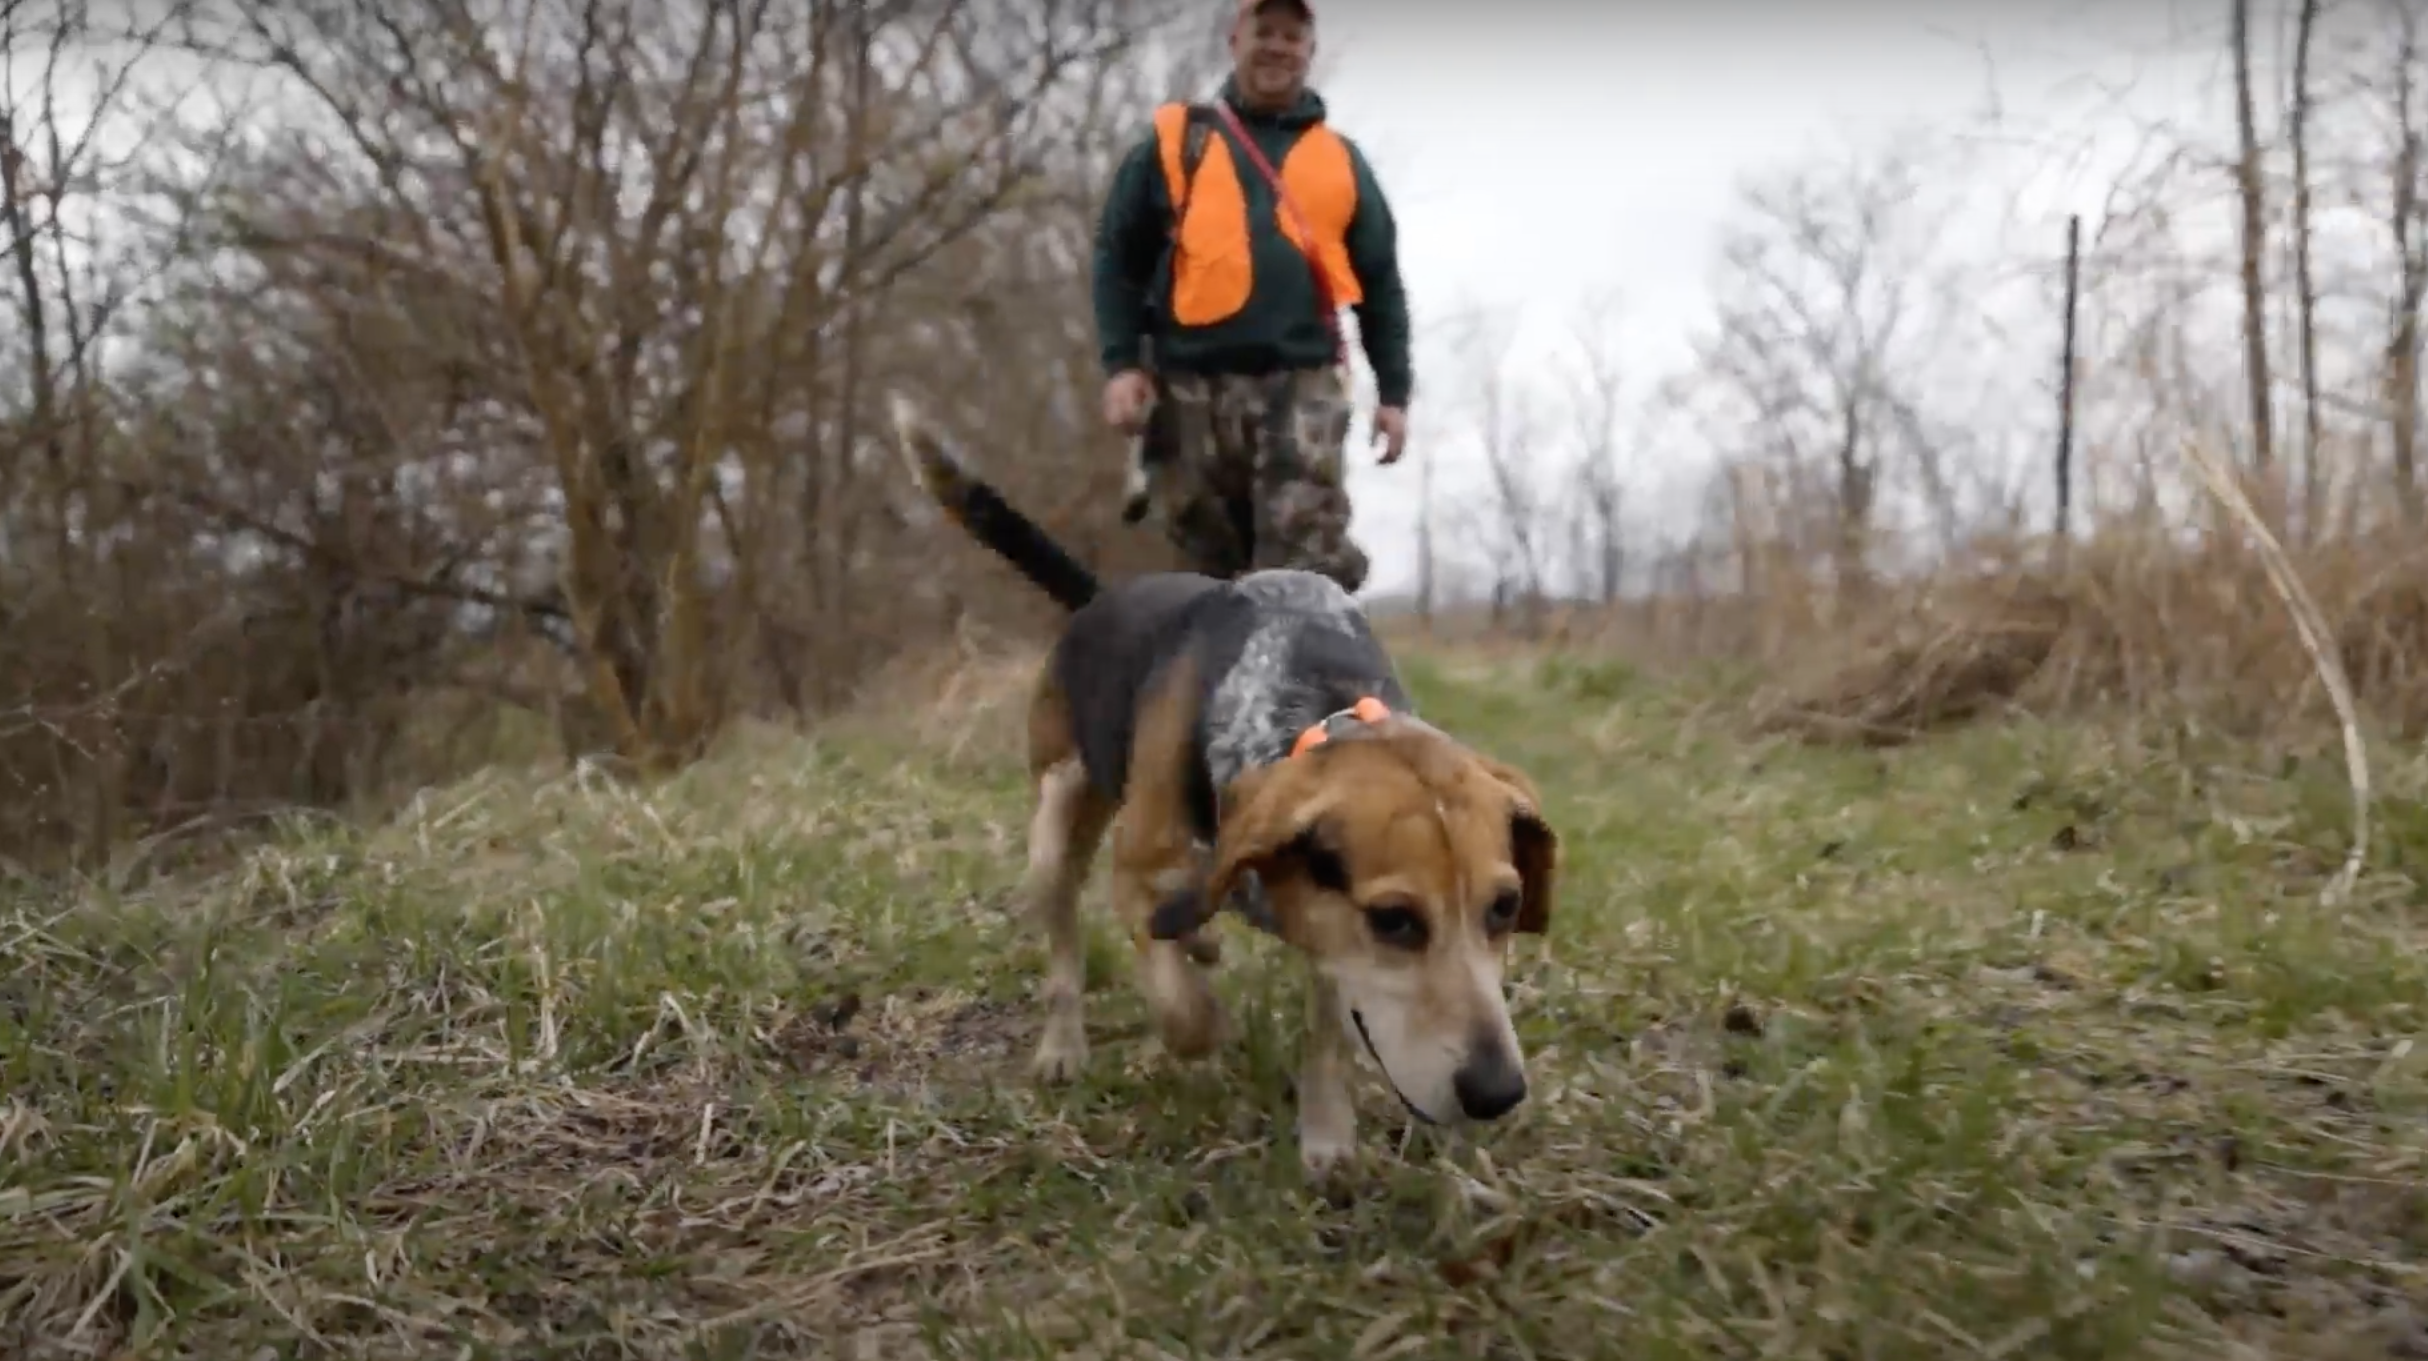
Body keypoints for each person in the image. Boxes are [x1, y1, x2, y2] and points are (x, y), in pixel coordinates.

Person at [1091, 0, 1411, 595]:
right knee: (1210, 572)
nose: (1278, 47)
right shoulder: (1174, 143)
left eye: (1294, 37)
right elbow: (1117, 257)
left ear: (1309, 53)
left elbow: (1380, 284)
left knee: (1297, 563)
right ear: (1235, 40)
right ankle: (1221, 683)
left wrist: (1393, 392)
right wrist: (1121, 365)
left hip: (1301, 381)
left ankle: (1314, 660)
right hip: (1189, 390)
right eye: (1265, 32)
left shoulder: (1342, 162)